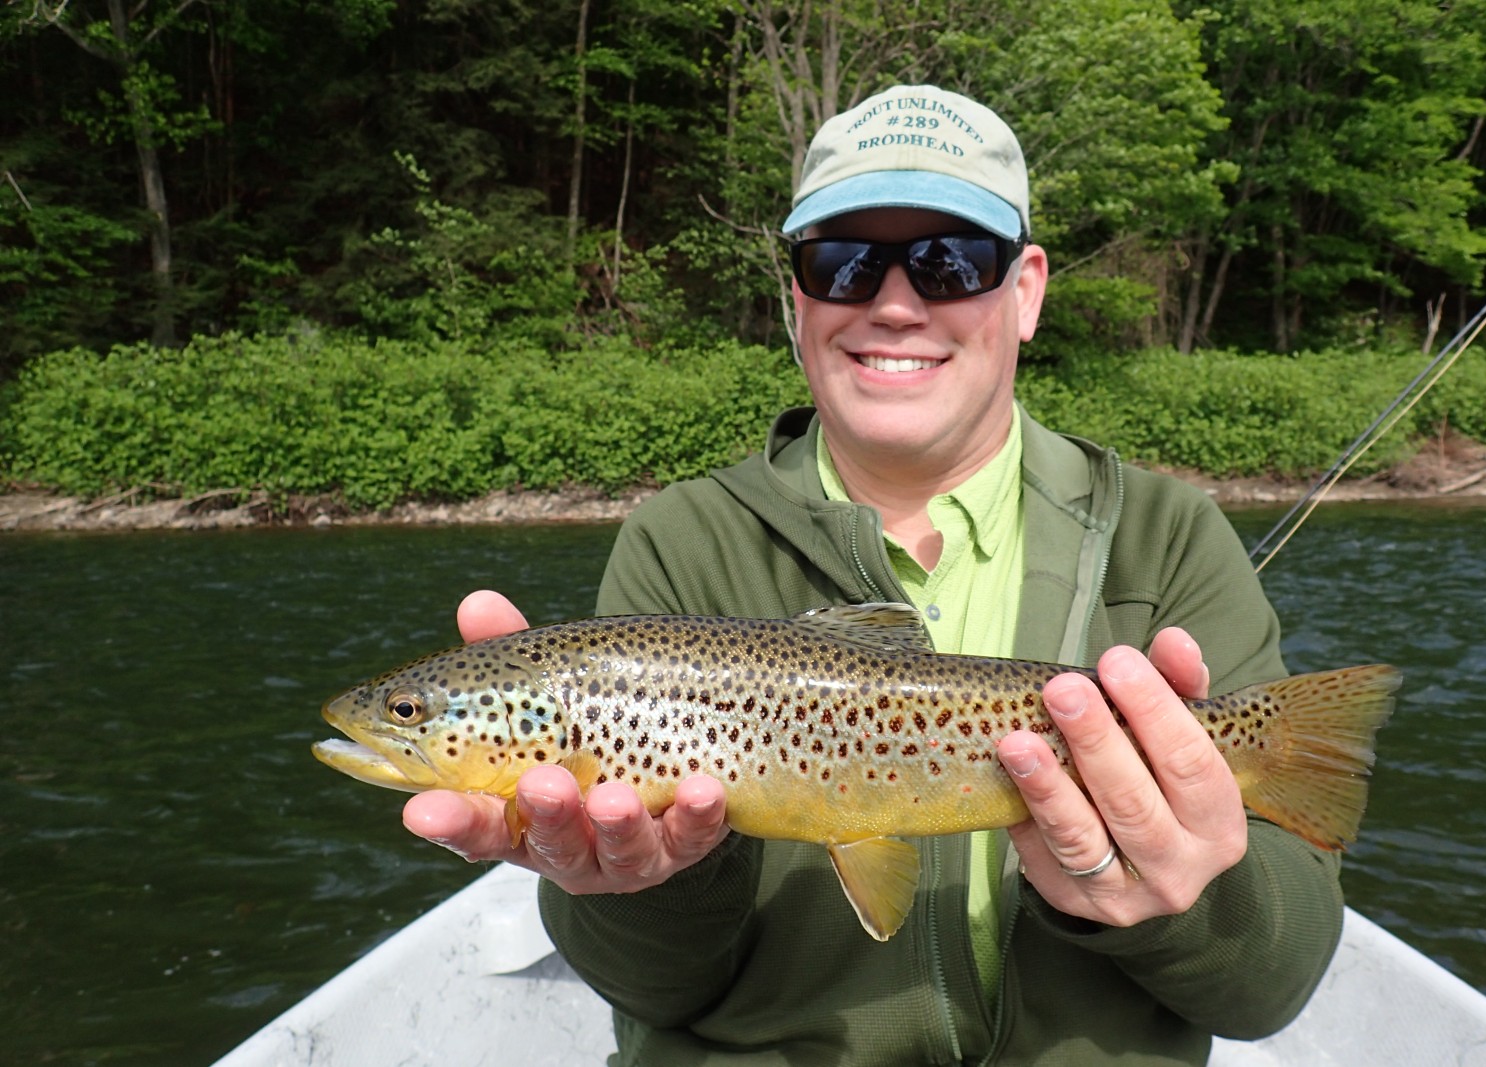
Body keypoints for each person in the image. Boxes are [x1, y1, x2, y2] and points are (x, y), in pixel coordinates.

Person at [403, 84, 1344, 1065]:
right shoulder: (679, 539)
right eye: (843, 262)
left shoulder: (1171, 537)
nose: (895, 302)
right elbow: (649, 988)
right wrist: (648, 880)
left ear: (1023, 291)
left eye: (951, 261)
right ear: (796, 299)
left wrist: (1168, 897)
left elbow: (1269, 987)